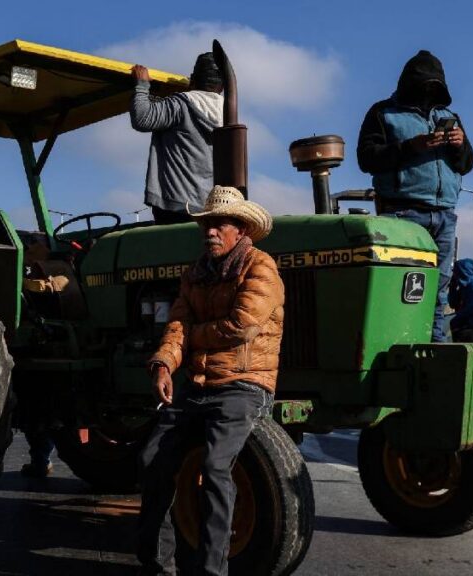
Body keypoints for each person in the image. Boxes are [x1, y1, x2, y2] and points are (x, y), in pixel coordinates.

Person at [138, 186, 282, 576]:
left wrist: (191, 337)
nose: (211, 232)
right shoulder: (195, 273)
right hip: (197, 384)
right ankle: (155, 563)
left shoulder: (261, 267)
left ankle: (211, 572)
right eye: (206, 225)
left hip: (243, 383)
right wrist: (164, 364)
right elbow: (178, 324)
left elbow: (242, 326)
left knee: (217, 468)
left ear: (241, 229)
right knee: (153, 458)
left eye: (220, 224)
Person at [357, 50, 473, 343]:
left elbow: (466, 164)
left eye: (435, 86)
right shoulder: (382, 113)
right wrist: (414, 146)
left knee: (439, 290)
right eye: (424, 84)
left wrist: (459, 145)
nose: (429, 90)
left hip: (444, 214)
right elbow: (367, 159)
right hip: (401, 214)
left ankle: (435, 354)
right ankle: (395, 348)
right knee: (400, 288)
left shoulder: (450, 118)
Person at [131, 53, 223, 224]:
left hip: (175, 205)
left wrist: (142, 86)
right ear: (222, 87)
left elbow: (142, 118)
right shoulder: (229, 114)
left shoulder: (179, 104)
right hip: (211, 207)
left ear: (193, 80)